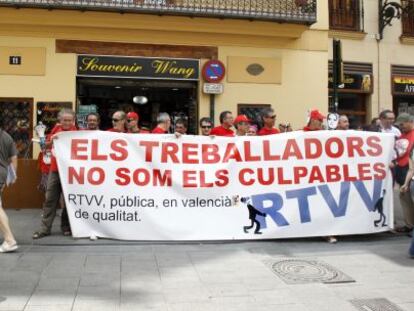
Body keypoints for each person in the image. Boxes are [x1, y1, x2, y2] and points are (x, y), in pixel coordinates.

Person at [33, 109, 77, 239]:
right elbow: (45, 147)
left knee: (69, 201)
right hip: (55, 169)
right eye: (65, 120)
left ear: (73, 120)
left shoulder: (78, 133)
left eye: (69, 120)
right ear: (60, 120)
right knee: (50, 199)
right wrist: (51, 140)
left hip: (70, 171)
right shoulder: (55, 131)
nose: (67, 122)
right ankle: (44, 229)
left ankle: (66, 227)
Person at [0, 124, 18, 253]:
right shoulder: (6, 136)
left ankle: (9, 240)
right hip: (2, 173)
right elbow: (14, 158)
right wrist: (13, 176)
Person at [395, 113, 414, 235]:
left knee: (410, 197)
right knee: (405, 198)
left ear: (409, 121)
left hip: (409, 168)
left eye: (402, 124)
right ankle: (409, 224)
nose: (401, 127)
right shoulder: (402, 135)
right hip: (401, 168)